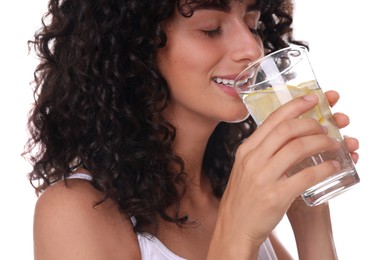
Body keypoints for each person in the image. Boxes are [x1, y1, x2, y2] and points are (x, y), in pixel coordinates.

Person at [25, 0, 359, 259]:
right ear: (135, 47)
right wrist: (236, 237)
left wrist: (310, 210)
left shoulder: (225, 195)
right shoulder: (76, 212)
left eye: (251, 24)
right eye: (211, 28)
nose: (251, 49)